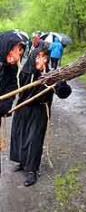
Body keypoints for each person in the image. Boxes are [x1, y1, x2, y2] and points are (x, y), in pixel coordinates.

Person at [10, 47, 72, 186]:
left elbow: (64, 93)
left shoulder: (51, 76)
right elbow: (13, 89)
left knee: (34, 140)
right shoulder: (24, 72)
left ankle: (32, 170)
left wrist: (60, 84)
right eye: (38, 57)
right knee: (20, 136)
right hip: (22, 108)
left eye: (44, 57)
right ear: (32, 58)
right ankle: (22, 161)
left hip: (39, 111)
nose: (41, 60)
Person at [0, 30, 26, 125]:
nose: (16, 57)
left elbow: (12, 86)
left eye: (19, 52)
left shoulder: (13, 68)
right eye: (12, 50)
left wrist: (6, 104)